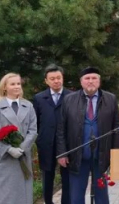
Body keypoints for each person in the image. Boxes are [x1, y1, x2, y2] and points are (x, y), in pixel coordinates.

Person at [56, 67, 119, 204]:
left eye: (94, 78)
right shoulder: (69, 100)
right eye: (87, 78)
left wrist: (117, 155)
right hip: (77, 154)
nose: (90, 81)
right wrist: (62, 153)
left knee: (102, 194)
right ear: (81, 82)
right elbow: (61, 128)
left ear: (99, 81)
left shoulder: (110, 99)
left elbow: (117, 128)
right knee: (76, 195)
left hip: (102, 154)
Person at [33, 64, 71, 204]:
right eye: (52, 78)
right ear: (46, 81)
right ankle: (48, 202)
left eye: (58, 78)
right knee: (47, 176)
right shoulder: (39, 98)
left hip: (67, 143)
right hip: (46, 143)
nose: (56, 81)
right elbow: (35, 121)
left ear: (62, 78)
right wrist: (40, 138)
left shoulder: (71, 96)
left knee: (66, 176)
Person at [0, 73, 37, 204]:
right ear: (5, 87)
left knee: (24, 195)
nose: (17, 86)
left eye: (18, 84)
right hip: (5, 159)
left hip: (23, 156)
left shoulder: (28, 105)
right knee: (7, 195)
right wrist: (9, 149)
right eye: (13, 84)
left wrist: (21, 148)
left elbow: (33, 130)